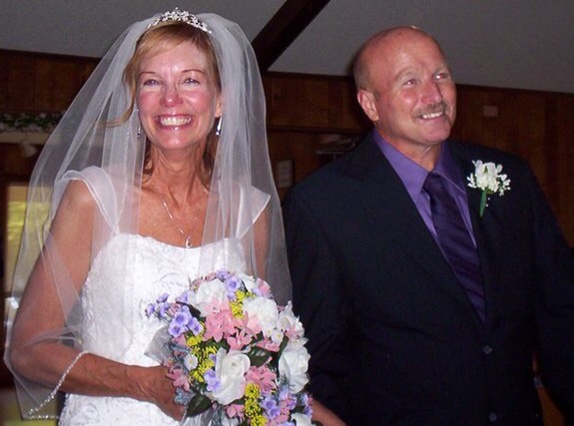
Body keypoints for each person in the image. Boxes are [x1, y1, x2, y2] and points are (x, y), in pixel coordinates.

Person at [3, 9, 294, 425]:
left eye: (190, 81)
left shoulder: (251, 211)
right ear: (135, 99)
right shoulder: (94, 198)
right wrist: (142, 383)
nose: (170, 99)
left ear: (221, 100)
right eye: (152, 82)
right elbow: (27, 350)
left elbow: (262, 358)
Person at [283, 26, 574, 425]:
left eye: (441, 76)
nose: (434, 96)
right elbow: (316, 353)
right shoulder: (323, 205)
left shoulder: (512, 178)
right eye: (410, 82)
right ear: (370, 104)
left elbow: (560, 311)